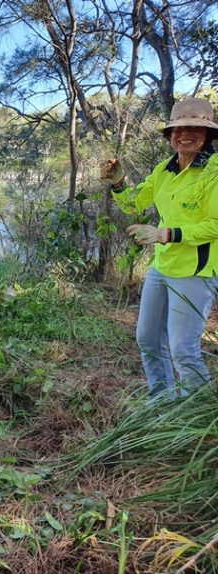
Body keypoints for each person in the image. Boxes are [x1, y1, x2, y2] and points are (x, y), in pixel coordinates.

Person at [101, 97, 218, 398]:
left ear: (208, 135)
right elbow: (133, 203)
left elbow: (215, 225)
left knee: (183, 349)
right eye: (178, 129)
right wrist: (118, 183)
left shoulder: (214, 171)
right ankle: (163, 403)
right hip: (162, 268)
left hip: (195, 271)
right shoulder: (164, 170)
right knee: (148, 339)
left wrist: (165, 233)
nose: (185, 134)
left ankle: (195, 415)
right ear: (170, 135)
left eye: (195, 128)